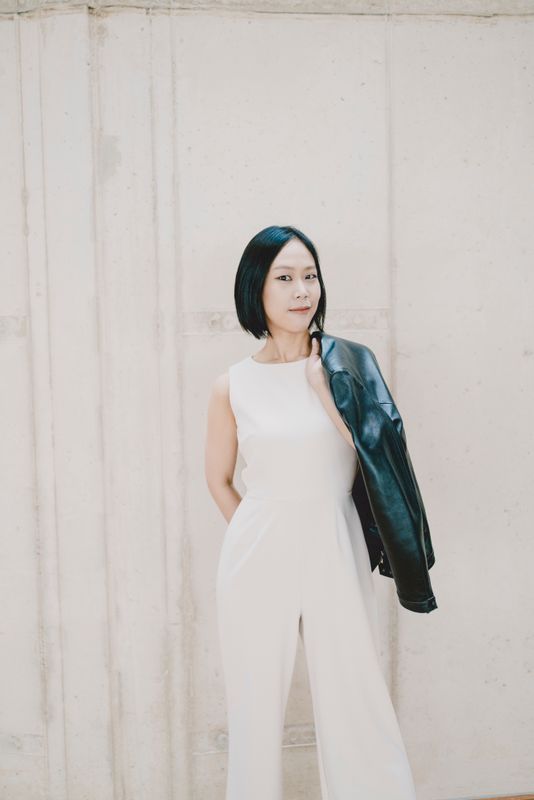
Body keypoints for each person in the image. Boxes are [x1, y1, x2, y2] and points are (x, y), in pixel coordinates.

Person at [204, 224, 418, 800]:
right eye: (285, 277)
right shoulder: (232, 385)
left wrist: (326, 392)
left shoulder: (347, 367)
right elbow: (218, 480)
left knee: (356, 699)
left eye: (310, 276)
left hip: (334, 543)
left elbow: (379, 459)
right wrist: (257, 537)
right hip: (258, 554)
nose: (302, 290)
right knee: (253, 710)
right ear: (256, 288)